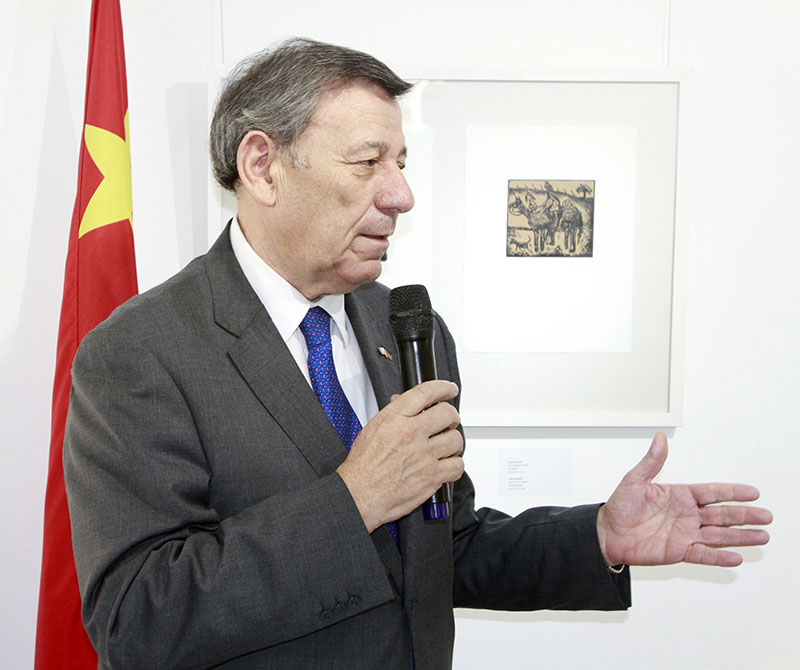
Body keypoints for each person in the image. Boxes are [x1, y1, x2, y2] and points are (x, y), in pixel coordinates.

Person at [63, 38, 772, 669]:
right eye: (367, 162)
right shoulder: (138, 354)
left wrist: (596, 537)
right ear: (262, 166)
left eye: (400, 163)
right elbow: (138, 621)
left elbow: (443, 546)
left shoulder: (405, 324)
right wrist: (356, 498)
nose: (400, 194)